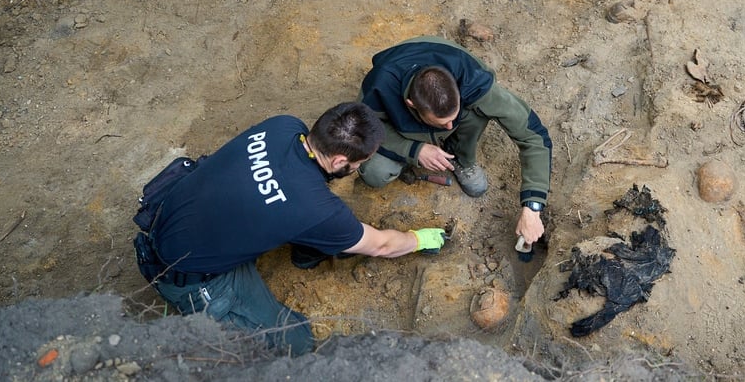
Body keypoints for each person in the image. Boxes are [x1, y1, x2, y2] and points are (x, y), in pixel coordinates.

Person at [133, 102, 447, 355]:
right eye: (358, 164)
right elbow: (381, 245)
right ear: (340, 160)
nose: (358, 169)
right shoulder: (317, 210)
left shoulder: (284, 125)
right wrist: (418, 238)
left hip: (174, 214)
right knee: (295, 342)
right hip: (182, 273)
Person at [358, 36, 552, 246]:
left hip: (453, 88)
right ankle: (413, 152)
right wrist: (414, 150)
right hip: (402, 128)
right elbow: (363, 128)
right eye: (442, 123)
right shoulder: (380, 85)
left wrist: (532, 207)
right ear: (411, 104)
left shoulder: (472, 79)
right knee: (375, 173)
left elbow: (533, 135)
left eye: (453, 118)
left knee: (477, 113)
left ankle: (459, 156)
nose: (450, 127)